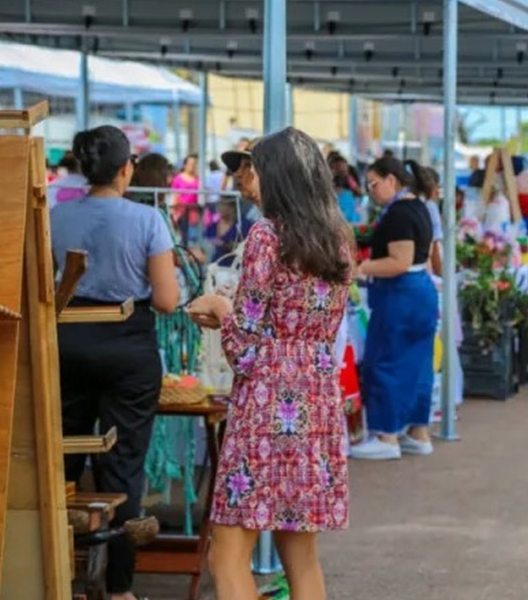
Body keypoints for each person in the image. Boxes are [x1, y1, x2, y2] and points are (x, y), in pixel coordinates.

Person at [187, 127, 352, 600]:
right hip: (317, 397)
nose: (247, 181)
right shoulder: (337, 237)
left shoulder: (265, 235)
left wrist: (221, 309)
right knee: (301, 557)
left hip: (268, 402)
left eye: (254, 170)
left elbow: (247, 346)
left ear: (278, 175)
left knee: (227, 554)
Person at [52, 126, 179, 600]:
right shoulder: (147, 220)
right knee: (123, 467)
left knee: (62, 462)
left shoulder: (54, 217)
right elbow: (167, 300)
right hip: (128, 349)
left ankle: (57, 576)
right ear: (127, 169)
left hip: (64, 345)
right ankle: (119, 589)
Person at [350, 156, 438, 460]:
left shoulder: (399, 213)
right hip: (420, 292)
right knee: (418, 366)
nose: (371, 190)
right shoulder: (420, 207)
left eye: (374, 183)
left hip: (401, 295)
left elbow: (399, 261)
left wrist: (361, 267)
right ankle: (418, 432)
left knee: (384, 361)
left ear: (392, 180)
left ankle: (387, 435)